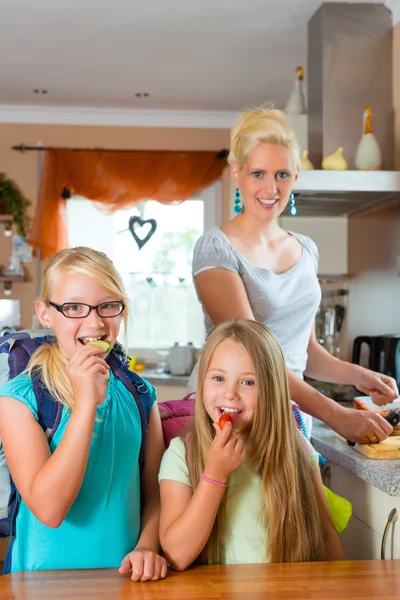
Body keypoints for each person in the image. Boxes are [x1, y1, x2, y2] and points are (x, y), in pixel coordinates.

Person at [190, 106, 398, 444]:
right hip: (234, 418)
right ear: (236, 173)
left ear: (296, 176)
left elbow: (306, 351)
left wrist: (361, 376)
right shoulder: (216, 248)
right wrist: (336, 413)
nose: (271, 188)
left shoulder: (306, 250)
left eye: (282, 174)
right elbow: (257, 356)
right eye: (258, 173)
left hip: (291, 415)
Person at [0, 247, 167, 580]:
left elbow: (156, 494)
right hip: (40, 583)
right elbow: (49, 510)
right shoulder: (18, 398)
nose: (95, 322)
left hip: (126, 580)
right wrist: (85, 404)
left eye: (107, 306)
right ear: (45, 314)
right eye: (74, 307)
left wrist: (148, 545)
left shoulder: (142, 394)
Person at [159, 320, 343, 568]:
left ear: (272, 389)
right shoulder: (181, 454)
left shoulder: (297, 447)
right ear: (202, 382)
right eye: (218, 378)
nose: (230, 393)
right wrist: (215, 475)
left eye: (248, 382)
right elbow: (176, 556)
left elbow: (326, 535)